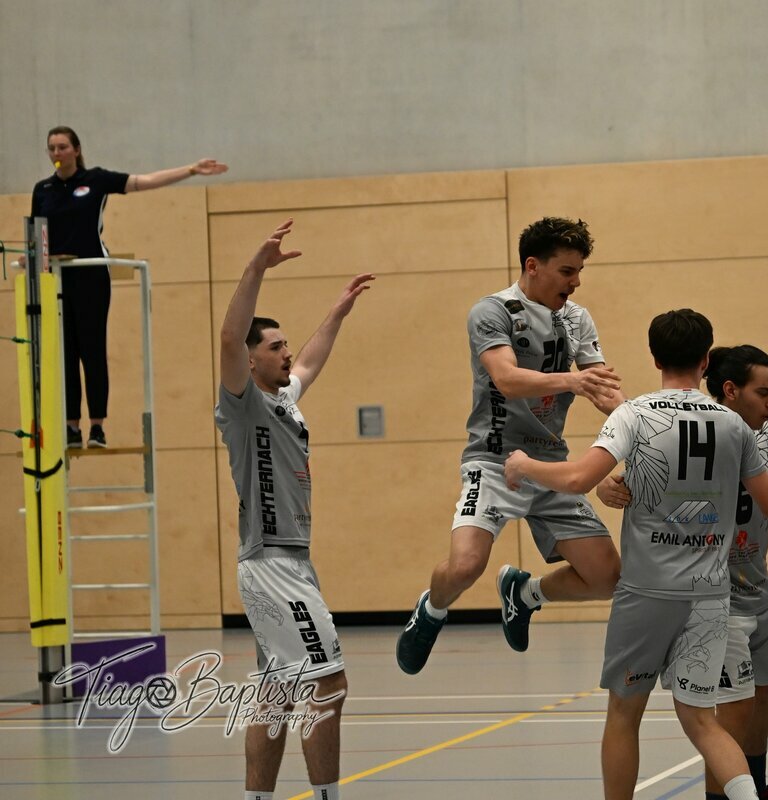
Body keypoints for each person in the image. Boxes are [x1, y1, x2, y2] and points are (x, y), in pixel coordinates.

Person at [505, 309, 768, 800]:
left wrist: (525, 464)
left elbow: (579, 478)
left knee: (624, 714)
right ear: (706, 360)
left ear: (654, 358)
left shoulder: (635, 414)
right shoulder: (734, 425)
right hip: (710, 595)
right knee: (704, 721)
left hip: (647, 592)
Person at [597, 344, 768, 800]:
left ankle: (756, 787)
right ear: (730, 389)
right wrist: (607, 484)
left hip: (756, 587)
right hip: (716, 592)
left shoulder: (767, 434)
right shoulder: (713, 429)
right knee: (720, 717)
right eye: (765, 392)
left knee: (758, 699)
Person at [395, 216, 624, 675]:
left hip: (549, 464)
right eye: (567, 271)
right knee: (465, 567)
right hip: (494, 461)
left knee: (606, 579)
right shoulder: (492, 311)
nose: (576, 282)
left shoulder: (577, 319)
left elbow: (603, 390)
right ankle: (431, 610)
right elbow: (507, 378)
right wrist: (572, 381)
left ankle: (524, 594)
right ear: (533, 265)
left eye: (580, 271)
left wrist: (645, 429)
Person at [216, 219, 372, 800]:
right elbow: (229, 338)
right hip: (272, 563)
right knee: (328, 682)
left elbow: (310, 362)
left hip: (292, 562)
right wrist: (256, 267)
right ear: (250, 361)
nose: (287, 353)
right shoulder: (242, 406)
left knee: (276, 691)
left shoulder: (284, 399)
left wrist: (337, 314)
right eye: (274, 347)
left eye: (285, 345)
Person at [31, 125, 227, 448]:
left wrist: (191, 170)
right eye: (51, 148)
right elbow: (36, 234)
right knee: (65, 352)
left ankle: (97, 427)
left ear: (76, 150)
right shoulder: (43, 189)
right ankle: (71, 426)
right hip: (57, 278)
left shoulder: (95, 180)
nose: (56, 153)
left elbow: (142, 181)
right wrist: (33, 258)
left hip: (91, 275)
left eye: (62, 147)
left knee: (92, 349)